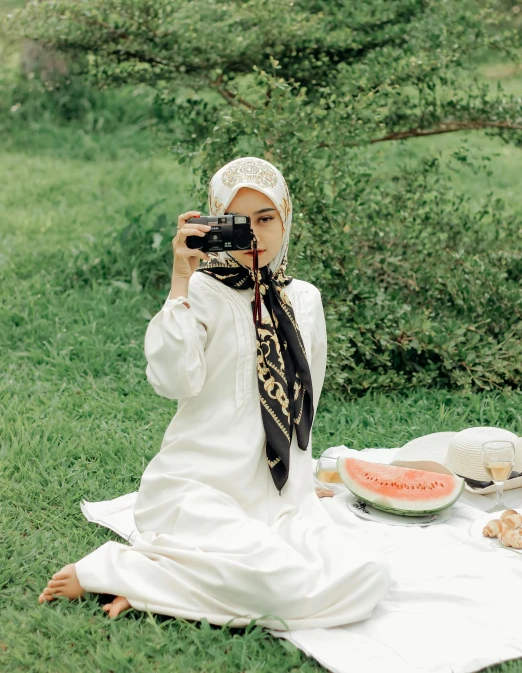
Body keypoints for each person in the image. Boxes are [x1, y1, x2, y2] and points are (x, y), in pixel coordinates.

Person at [39, 156, 391, 626]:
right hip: (197, 485)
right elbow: (173, 381)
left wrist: (301, 473)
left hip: (280, 497)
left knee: (364, 577)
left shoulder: (304, 298)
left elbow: (308, 395)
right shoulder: (202, 292)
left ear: (286, 217)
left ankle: (151, 582)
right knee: (280, 579)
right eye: (238, 222)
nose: (255, 234)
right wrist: (180, 280)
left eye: (266, 219)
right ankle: (113, 569)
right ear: (216, 223)